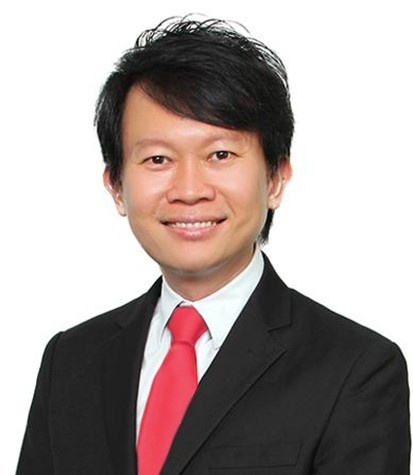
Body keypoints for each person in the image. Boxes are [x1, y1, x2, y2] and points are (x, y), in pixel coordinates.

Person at [17, 17, 410, 475]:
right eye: (158, 159)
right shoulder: (70, 361)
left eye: (220, 155)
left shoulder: (356, 369)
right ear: (116, 187)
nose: (189, 190)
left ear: (276, 178)